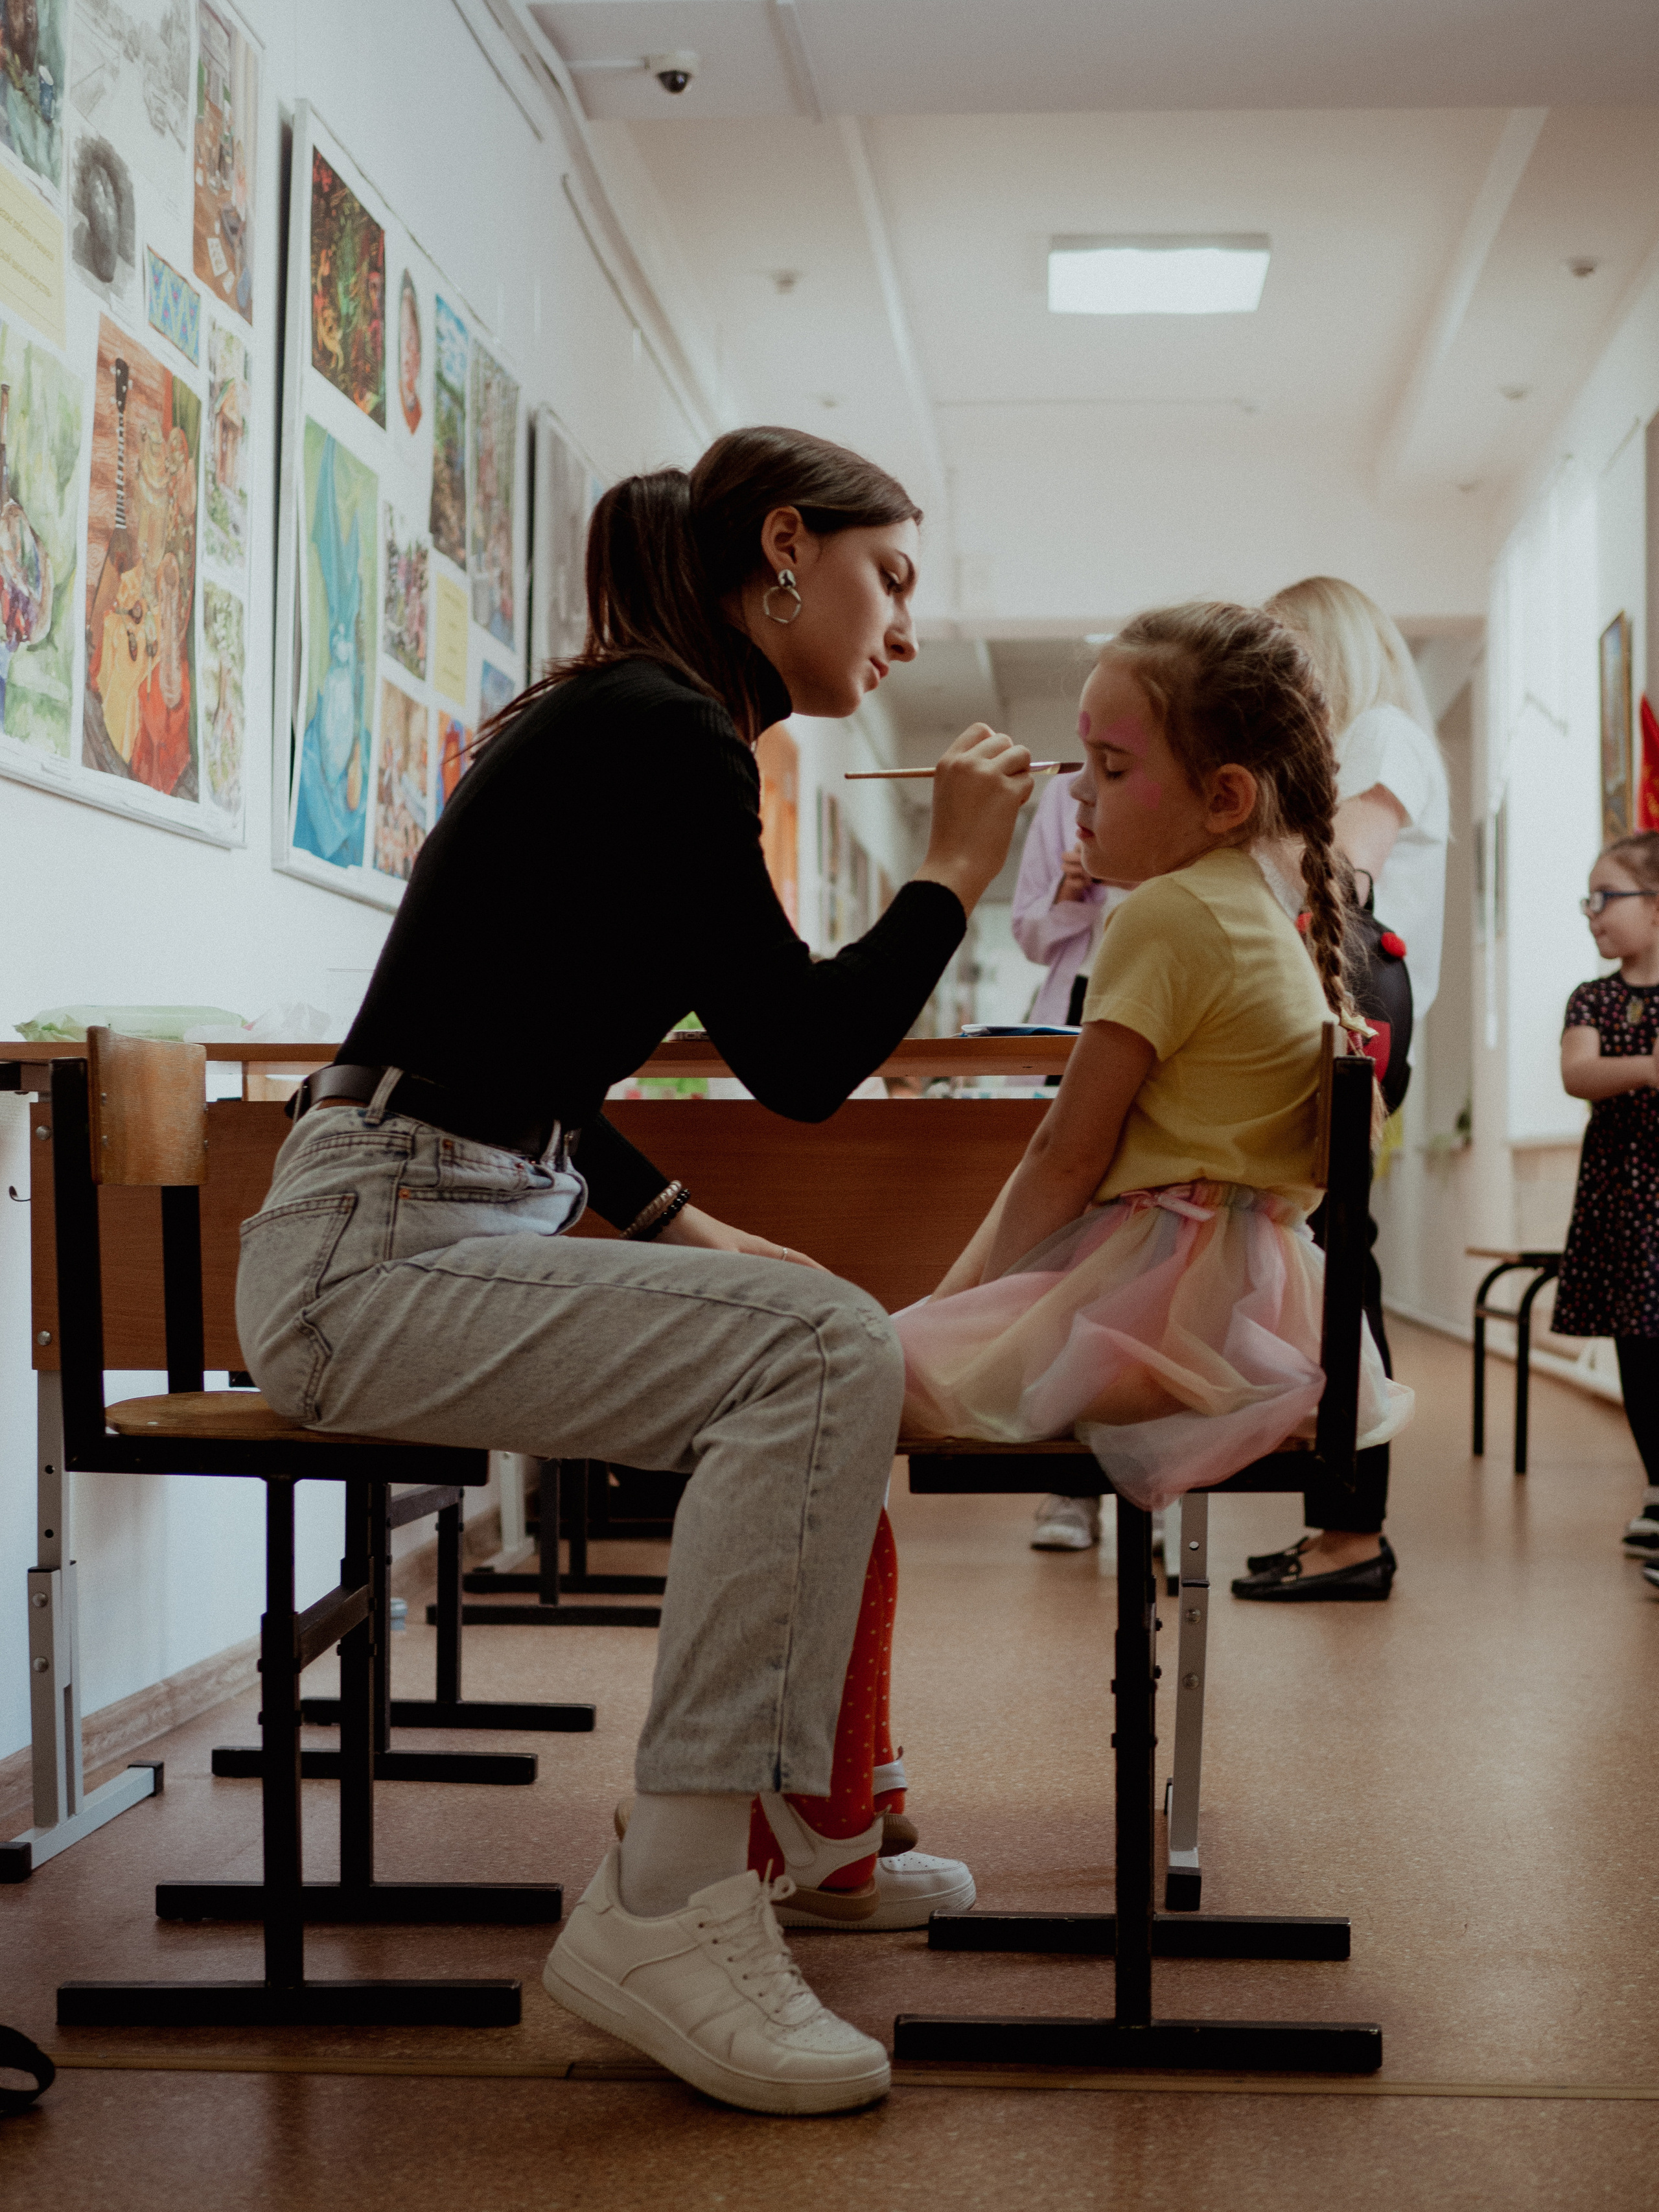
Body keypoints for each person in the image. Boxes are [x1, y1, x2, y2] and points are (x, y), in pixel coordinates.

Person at [235, 426, 1033, 2117]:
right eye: (890, 578)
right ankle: (671, 1897)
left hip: (409, 1219)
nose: (901, 625)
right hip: (375, 1253)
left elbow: (526, 1061)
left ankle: (812, 1837)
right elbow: (807, 1051)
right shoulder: (668, 733)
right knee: (826, 1354)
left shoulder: (636, 720)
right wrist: (955, 870)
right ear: (783, 548)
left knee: (832, 1341)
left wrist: (688, 1230)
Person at [894, 602, 1412, 1505]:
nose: (1076, 795)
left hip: (1171, 1317)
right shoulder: (1252, 905)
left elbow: (1063, 1159)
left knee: (854, 1366)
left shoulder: (1163, 917)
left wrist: (952, 1314)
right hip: (1259, 1316)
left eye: (1112, 765)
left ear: (1224, 796)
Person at [1229, 575, 1448, 1601]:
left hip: (1360, 985)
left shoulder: (1386, 733)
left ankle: (1354, 1531)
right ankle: (1337, 1523)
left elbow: (1344, 872)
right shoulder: (1369, 739)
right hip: (1353, 983)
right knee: (1332, 1249)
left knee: (1340, 1254)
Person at [1010, 773, 1128, 1552]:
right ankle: (1071, 1483)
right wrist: (1066, 889)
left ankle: (1160, 1474)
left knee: (1148, 1256)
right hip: (1083, 1005)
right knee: (1071, 1258)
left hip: (1165, 990)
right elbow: (1027, 930)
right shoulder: (1063, 797)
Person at [1555, 833, 1659, 1581]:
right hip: (1621, 1196)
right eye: (1588, 898)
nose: (1592, 912)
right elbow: (1579, 1071)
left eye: (1606, 896)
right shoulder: (1593, 996)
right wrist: (1650, 1068)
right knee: (1638, 1347)